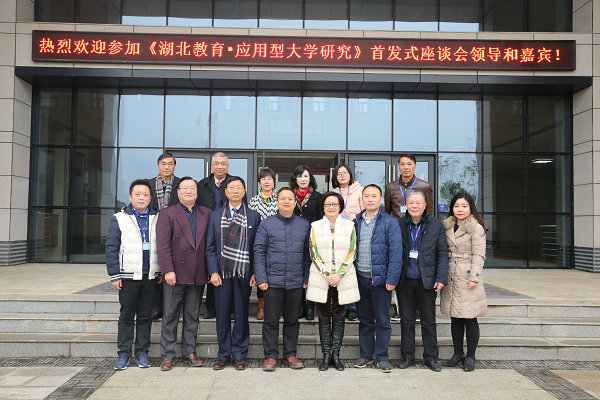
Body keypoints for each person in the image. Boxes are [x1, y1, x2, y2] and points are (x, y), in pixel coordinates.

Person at [156, 176, 211, 371]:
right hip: (175, 273)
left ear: (197, 193)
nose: (189, 191)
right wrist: (167, 270)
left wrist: (210, 270)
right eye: (185, 188)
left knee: (192, 315)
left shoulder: (206, 213)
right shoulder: (167, 213)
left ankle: (190, 351)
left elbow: (210, 244)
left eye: (192, 188)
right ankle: (167, 354)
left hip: (198, 273)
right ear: (178, 192)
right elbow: (162, 245)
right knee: (170, 315)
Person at [254, 187, 311, 372]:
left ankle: (290, 355)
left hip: (296, 281)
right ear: (277, 202)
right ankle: (270, 356)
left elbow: (307, 254)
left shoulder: (304, 225)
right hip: (272, 281)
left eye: (290, 199)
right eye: (283, 199)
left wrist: (306, 277)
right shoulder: (266, 224)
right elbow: (259, 251)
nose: (286, 202)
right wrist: (261, 277)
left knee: (292, 320)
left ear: (295, 203)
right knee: (270, 321)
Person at [206, 177, 261, 371]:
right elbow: (210, 246)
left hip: (243, 272)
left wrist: (255, 272)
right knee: (222, 315)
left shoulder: (253, 216)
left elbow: (256, 248)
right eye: (232, 187)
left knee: (241, 314)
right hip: (221, 274)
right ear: (226, 191)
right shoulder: (215, 215)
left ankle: (239, 354)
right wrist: (213, 271)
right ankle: (223, 354)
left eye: (239, 188)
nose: (235, 191)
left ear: (244, 191)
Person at [105, 179, 160, 370]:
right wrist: (114, 274)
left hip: (150, 276)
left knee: (145, 316)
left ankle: (142, 353)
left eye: (145, 194)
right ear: (130, 197)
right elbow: (111, 248)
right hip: (128, 276)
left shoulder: (157, 217)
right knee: (127, 316)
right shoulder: (119, 218)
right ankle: (123, 353)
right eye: (137, 194)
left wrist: (160, 270)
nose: (141, 198)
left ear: (150, 197)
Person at [352, 184, 402, 373]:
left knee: (382, 321)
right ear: (362, 199)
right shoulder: (356, 222)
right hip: (360, 279)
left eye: (374, 196)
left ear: (381, 199)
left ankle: (382, 357)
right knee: (365, 320)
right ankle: (365, 355)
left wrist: (392, 279)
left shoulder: (390, 222)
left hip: (381, 281)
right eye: (367, 196)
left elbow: (396, 253)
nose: (370, 199)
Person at [306, 191, 359, 371]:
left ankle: (336, 355)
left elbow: (352, 251)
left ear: (340, 206)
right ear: (323, 206)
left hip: (343, 278)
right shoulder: (315, 226)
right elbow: (313, 252)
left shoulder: (350, 226)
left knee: (339, 316)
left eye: (335, 204)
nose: (331, 207)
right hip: (322, 278)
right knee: (323, 316)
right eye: (328, 204)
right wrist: (328, 274)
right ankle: (326, 356)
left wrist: (339, 274)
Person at [397, 190, 448, 372]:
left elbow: (442, 253)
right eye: (411, 203)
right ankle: (407, 357)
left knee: (428, 321)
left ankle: (431, 358)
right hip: (404, 281)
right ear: (406, 205)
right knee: (407, 321)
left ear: (425, 205)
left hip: (427, 281)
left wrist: (441, 278)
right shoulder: (399, 224)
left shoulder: (436, 225)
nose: (414, 206)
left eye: (418, 203)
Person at [441, 193, 487, 372]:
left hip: (467, 276)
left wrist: (474, 277)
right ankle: (457, 353)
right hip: (451, 274)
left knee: (469, 317)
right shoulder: (447, 226)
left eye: (464, 206)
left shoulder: (476, 227)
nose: (460, 209)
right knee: (455, 317)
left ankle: (471, 356)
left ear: (470, 208)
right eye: (456, 206)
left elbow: (479, 255)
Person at [197, 152, 246, 319]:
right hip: (208, 229)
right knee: (213, 267)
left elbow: (243, 205)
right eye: (216, 163)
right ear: (211, 166)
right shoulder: (202, 184)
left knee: (231, 268)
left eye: (223, 163)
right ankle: (212, 307)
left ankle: (231, 308)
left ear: (227, 166)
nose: (219, 166)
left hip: (232, 230)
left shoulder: (235, 183)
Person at [385, 154, 433, 322]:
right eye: (403, 164)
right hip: (398, 232)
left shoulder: (424, 186)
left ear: (415, 166)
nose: (406, 167)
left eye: (409, 164)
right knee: (399, 268)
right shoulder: (391, 187)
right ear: (398, 167)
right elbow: (388, 211)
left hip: (417, 231)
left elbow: (429, 210)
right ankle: (400, 309)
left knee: (416, 268)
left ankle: (418, 309)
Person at [147, 152, 181, 321]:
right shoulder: (148, 184)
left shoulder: (180, 184)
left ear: (174, 166)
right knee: (155, 267)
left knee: (171, 266)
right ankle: (156, 307)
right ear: (158, 166)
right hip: (153, 230)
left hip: (176, 231)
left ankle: (173, 307)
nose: (166, 167)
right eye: (163, 164)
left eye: (170, 164)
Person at [331, 163, 364, 321]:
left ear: (350, 174)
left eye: (345, 173)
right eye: (339, 173)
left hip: (355, 232)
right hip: (338, 234)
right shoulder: (333, 193)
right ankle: (342, 305)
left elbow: (364, 212)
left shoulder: (359, 190)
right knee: (341, 269)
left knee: (353, 270)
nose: (342, 175)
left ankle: (353, 306)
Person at [290, 165, 323, 320]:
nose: (303, 179)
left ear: (310, 179)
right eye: (299, 176)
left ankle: (310, 307)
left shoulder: (318, 197)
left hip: (312, 240)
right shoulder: (290, 196)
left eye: (305, 176)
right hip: (294, 240)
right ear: (295, 179)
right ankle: (300, 306)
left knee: (311, 274)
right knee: (297, 274)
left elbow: (322, 220)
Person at [248, 167, 278, 320]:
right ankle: (261, 306)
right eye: (263, 179)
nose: (266, 181)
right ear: (259, 182)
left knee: (275, 273)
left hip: (277, 242)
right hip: (259, 241)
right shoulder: (253, 201)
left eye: (269, 178)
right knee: (261, 271)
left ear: (274, 181)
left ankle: (274, 306)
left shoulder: (280, 199)